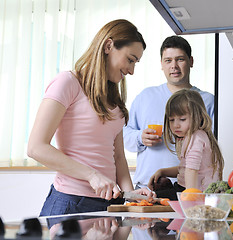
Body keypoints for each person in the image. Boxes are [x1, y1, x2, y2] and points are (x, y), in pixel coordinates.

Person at [27, 19, 155, 216]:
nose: (132, 70)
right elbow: (36, 148)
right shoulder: (68, 83)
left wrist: (130, 194)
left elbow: (118, 157)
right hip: (70, 203)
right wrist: (92, 176)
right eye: (130, 59)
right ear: (108, 46)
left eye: (135, 63)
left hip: (108, 205)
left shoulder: (115, 100)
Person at [123, 36, 214, 189]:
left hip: (191, 188)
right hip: (147, 187)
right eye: (168, 60)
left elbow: (214, 147)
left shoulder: (207, 101)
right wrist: (140, 137)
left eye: (180, 59)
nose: (174, 66)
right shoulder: (145, 97)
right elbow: (124, 136)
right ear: (161, 64)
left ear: (191, 61)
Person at [147, 89, 224, 200]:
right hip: (186, 189)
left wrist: (190, 199)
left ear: (199, 117)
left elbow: (191, 170)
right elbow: (184, 168)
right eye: (171, 120)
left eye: (182, 119)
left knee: (151, 198)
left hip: (194, 193)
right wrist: (162, 171)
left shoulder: (196, 138)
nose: (176, 125)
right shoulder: (194, 136)